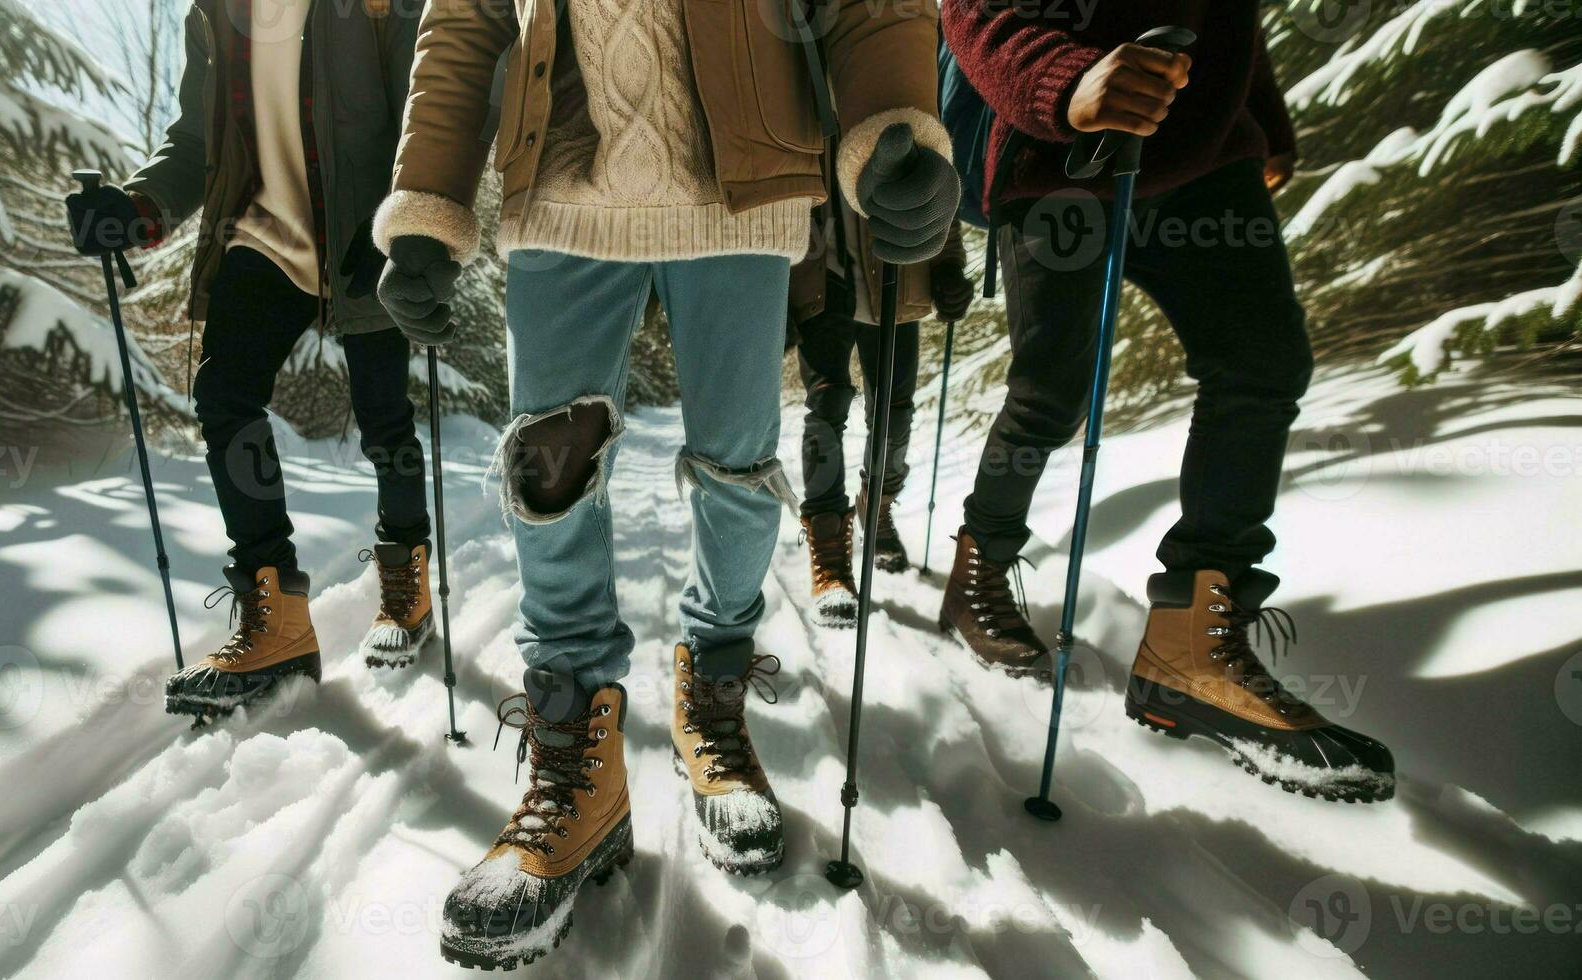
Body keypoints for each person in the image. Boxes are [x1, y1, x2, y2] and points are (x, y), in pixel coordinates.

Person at [373, 0, 961, 967]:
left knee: (737, 467)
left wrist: (893, 129)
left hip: (740, 183)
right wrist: (428, 206)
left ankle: (711, 701)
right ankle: (577, 763)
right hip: (559, 184)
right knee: (548, 469)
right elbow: (463, 22)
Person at [943, 2, 1394, 801]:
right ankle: (979, 564)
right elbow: (974, 9)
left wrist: (1262, 121)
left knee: (1260, 364)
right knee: (1051, 390)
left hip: (1206, 156)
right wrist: (1064, 83)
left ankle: (1189, 647)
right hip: (1057, 159)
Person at [64, 0, 431, 724]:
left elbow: (425, 116)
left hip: (363, 230)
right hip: (265, 230)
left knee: (382, 413)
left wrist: (404, 215)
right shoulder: (215, 13)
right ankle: (277, 613)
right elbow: (197, 137)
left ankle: (405, 580)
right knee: (225, 394)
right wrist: (139, 206)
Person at [791, 181, 973, 626]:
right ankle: (831, 556)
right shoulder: (802, 108)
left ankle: (878, 510)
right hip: (819, 278)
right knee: (827, 406)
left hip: (896, 275)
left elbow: (935, 185)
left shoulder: (903, 109)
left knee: (894, 413)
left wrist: (948, 265)